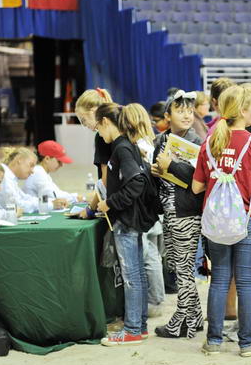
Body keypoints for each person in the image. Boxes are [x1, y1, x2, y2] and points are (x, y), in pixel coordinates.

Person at [193, 84, 251, 357]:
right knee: (246, 282)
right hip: (247, 218)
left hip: (216, 222)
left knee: (219, 280)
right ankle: (246, 343)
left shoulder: (210, 142)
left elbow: (196, 187)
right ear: (242, 110)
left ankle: (213, 340)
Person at [96, 103, 153, 346]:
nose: (99, 133)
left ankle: (131, 329)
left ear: (106, 122)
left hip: (126, 221)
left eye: (98, 127)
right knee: (136, 275)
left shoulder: (121, 148)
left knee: (131, 276)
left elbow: (136, 183)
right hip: (129, 220)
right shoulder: (124, 146)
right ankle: (138, 326)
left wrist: (110, 203)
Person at [151, 90, 204, 338]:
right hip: (169, 210)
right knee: (176, 265)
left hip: (187, 211)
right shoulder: (161, 140)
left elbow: (199, 180)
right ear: (167, 115)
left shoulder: (197, 140)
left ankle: (182, 321)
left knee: (184, 269)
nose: (186, 115)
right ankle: (195, 317)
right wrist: (156, 170)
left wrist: (170, 166)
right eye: (180, 110)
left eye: (190, 111)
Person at [0, 147, 68, 213]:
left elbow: (24, 197)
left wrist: (50, 202)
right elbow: (18, 205)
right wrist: (50, 205)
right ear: (19, 160)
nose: (32, 171)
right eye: (31, 165)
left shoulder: (10, 177)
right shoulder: (4, 176)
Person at [75, 88, 114, 187]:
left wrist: (94, 202)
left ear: (93, 112)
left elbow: (106, 179)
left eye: (83, 120)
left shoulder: (102, 137)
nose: (85, 125)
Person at [24, 140, 81, 204]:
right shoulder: (37, 173)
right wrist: (78, 197)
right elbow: (55, 197)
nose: (62, 165)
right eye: (59, 161)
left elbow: (56, 192)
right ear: (47, 159)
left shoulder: (43, 172)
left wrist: (76, 197)